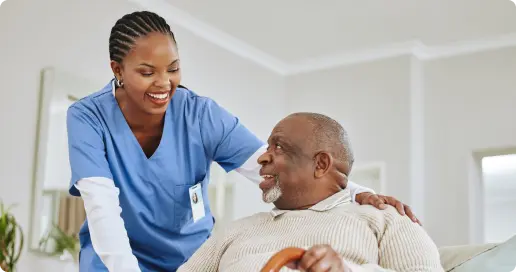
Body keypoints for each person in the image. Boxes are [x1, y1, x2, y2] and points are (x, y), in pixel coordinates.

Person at [66, 11, 420, 272]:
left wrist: (355, 191)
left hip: (188, 258)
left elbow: (269, 165)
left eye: (173, 69)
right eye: (147, 72)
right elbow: (102, 209)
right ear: (117, 70)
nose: (164, 84)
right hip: (114, 259)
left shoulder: (200, 115)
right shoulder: (88, 118)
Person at [177, 112, 443, 272]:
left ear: (321, 164)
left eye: (278, 147)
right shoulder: (235, 231)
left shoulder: (385, 219)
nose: (261, 158)